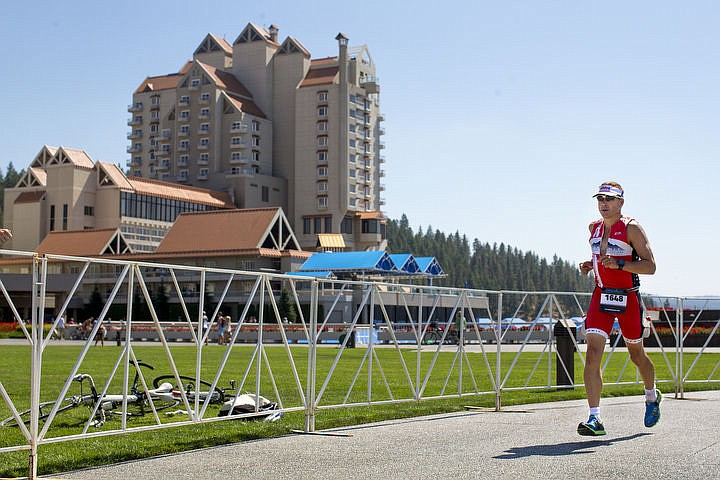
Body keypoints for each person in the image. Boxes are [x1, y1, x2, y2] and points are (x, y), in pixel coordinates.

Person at [577, 181, 659, 436]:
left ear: (620, 203)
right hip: (601, 297)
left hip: (627, 299)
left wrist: (620, 266)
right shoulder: (593, 228)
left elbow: (650, 266)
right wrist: (591, 265)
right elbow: (601, 258)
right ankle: (594, 418)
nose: (604, 203)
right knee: (592, 353)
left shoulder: (632, 227)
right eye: (600, 199)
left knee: (637, 355)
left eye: (609, 199)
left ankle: (651, 396)